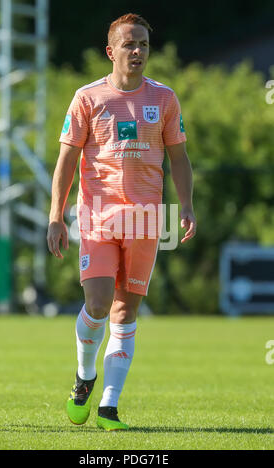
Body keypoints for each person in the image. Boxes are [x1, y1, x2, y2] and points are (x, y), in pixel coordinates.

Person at [47, 13, 196, 431]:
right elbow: (67, 159)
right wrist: (55, 216)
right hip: (96, 217)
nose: (138, 52)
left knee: (124, 314)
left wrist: (186, 204)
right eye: (130, 44)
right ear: (111, 51)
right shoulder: (87, 97)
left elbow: (179, 157)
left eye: (144, 45)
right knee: (96, 304)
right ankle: (84, 376)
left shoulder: (165, 99)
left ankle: (109, 406)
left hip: (147, 221)